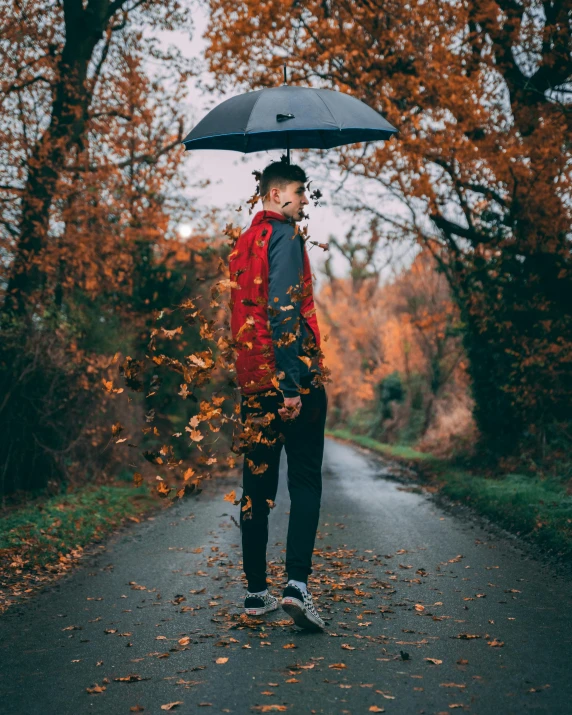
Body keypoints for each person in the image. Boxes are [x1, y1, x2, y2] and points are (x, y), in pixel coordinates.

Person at [229, 160, 329, 631]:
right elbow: (284, 312)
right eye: (299, 192)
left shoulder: (244, 244)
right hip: (291, 382)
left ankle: (254, 594)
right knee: (305, 481)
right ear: (275, 196)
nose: (305, 200)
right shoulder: (285, 238)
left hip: (253, 386)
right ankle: (296, 589)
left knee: (257, 489)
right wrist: (292, 387)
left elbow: (245, 317)